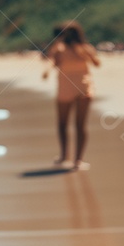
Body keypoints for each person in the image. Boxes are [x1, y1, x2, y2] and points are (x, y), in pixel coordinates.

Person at [42, 20, 101, 171]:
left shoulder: (60, 48)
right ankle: (77, 160)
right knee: (80, 125)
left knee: (63, 124)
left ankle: (65, 157)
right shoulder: (84, 48)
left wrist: (47, 71)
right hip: (83, 88)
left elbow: (51, 62)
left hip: (67, 89)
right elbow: (96, 63)